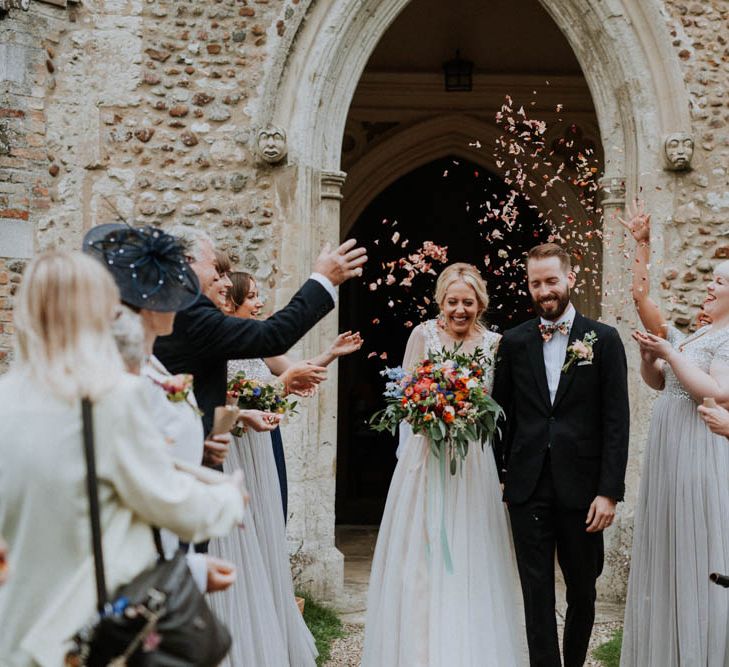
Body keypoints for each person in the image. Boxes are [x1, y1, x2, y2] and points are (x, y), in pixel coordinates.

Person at [0, 251, 247, 667]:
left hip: (18, 630)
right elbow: (167, 502)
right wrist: (228, 500)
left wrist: (193, 568)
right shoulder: (111, 398)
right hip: (93, 633)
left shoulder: (5, 400)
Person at [86, 224, 279, 594]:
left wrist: (205, 448)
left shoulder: (153, 370)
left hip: (161, 547)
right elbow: (139, 472)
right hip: (137, 556)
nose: (178, 303)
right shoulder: (127, 384)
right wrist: (219, 501)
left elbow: (156, 451)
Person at [362, 263, 528, 667]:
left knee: (474, 546)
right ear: (441, 301)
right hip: (425, 458)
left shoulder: (495, 344)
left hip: (473, 462)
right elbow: (405, 399)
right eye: (452, 301)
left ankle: (470, 643)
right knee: (422, 551)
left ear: (480, 304)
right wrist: (413, 449)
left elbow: (502, 408)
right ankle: (420, 648)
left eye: (467, 302)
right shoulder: (423, 335)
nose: (459, 310)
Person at [492, 242, 629, 667]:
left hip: (585, 490)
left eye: (551, 281)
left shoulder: (603, 340)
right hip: (528, 486)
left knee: (583, 588)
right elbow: (501, 415)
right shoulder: (514, 343)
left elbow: (616, 422)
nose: (544, 290)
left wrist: (609, 492)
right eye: (536, 283)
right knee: (535, 590)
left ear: (570, 278)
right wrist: (503, 474)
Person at [617, 202, 729, 666]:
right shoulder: (694, 338)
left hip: (697, 454)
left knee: (694, 548)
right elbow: (644, 307)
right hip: (669, 452)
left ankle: (700, 652)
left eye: (720, 283)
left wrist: (669, 352)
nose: (709, 285)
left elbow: (716, 391)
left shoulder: (725, 340)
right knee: (667, 549)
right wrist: (641, 244)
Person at [154, 226, 367, 436]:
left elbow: (201, 391)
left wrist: (234, 420)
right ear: (189, 261)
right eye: (213, 267)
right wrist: (324, 280)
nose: (222, 281)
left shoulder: (167, 305)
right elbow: (274, 335)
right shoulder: (190, 312)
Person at [224, 269, 363, 517]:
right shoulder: (220, 343)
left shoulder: (258, 341)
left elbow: (296, 371)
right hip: (237, 439)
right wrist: (283, 384)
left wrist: (332, 352)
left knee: (271, 508)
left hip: (266, 437)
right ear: (231, 302)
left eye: (258, 296)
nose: (259, 303)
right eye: (251, 297)